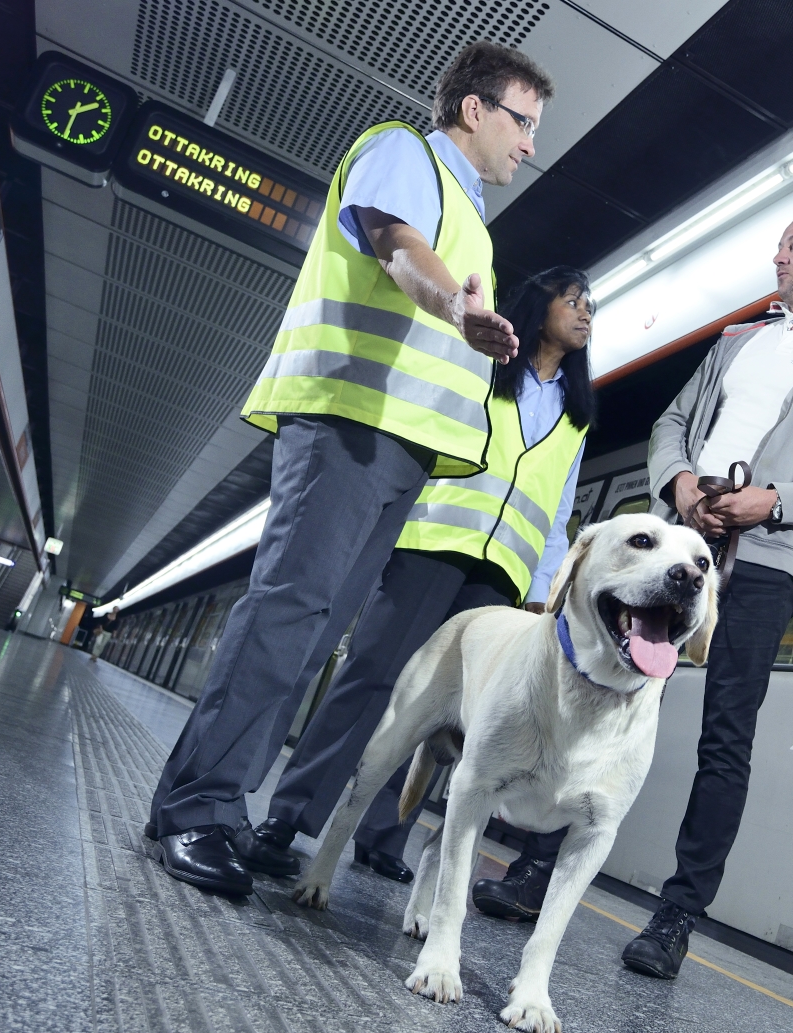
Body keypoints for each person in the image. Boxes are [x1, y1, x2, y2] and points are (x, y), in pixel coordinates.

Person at [145, 42, 556, 897]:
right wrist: (456, 306)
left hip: (395, 449)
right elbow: (395, 244)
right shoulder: (405, 154)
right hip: (348, 421)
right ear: (473, 110)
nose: (529, 144)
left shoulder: (473, 213)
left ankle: (219, 807)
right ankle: (195, 807)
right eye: (523, 123)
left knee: (311, 629)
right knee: (287, 613)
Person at [473, 210, 793, 977]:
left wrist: (772, 500)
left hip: (767, 560)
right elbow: (673, 423)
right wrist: (678, 484)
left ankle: (676, 917)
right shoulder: (738, 342)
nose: (778, 254)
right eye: (778, 244)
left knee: (725, 738)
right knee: (603, 699)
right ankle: (539, 866)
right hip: (678, 545)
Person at [234, 268, 597, 883]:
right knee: (372, 681)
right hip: (433, 542)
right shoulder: (483, 367)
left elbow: (560, 508)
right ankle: (291, 816)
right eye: (575, 301)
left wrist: (543, 592)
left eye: (593, 307)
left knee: (449, 712)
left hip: (502, 574)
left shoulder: (577, 413)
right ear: (539, 305)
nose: (587, 314)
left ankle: (383, 835)